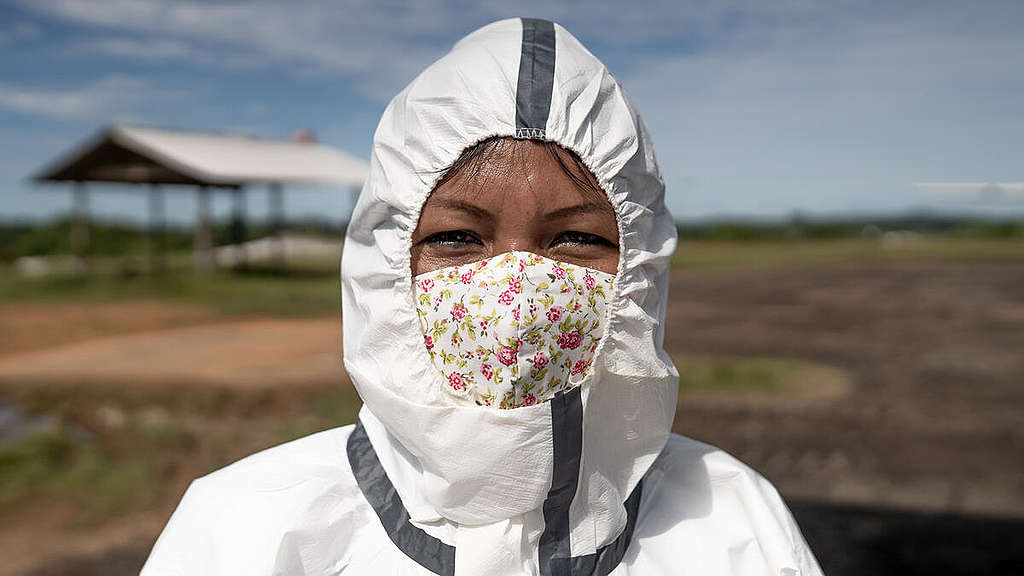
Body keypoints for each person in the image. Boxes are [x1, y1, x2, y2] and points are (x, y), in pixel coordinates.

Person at [141, 18, 823, 576]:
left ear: (640, 268)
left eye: (577, 241)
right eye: (460, 237)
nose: (516, 289)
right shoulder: (250, 526)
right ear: (386, 267)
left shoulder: (730, 519)